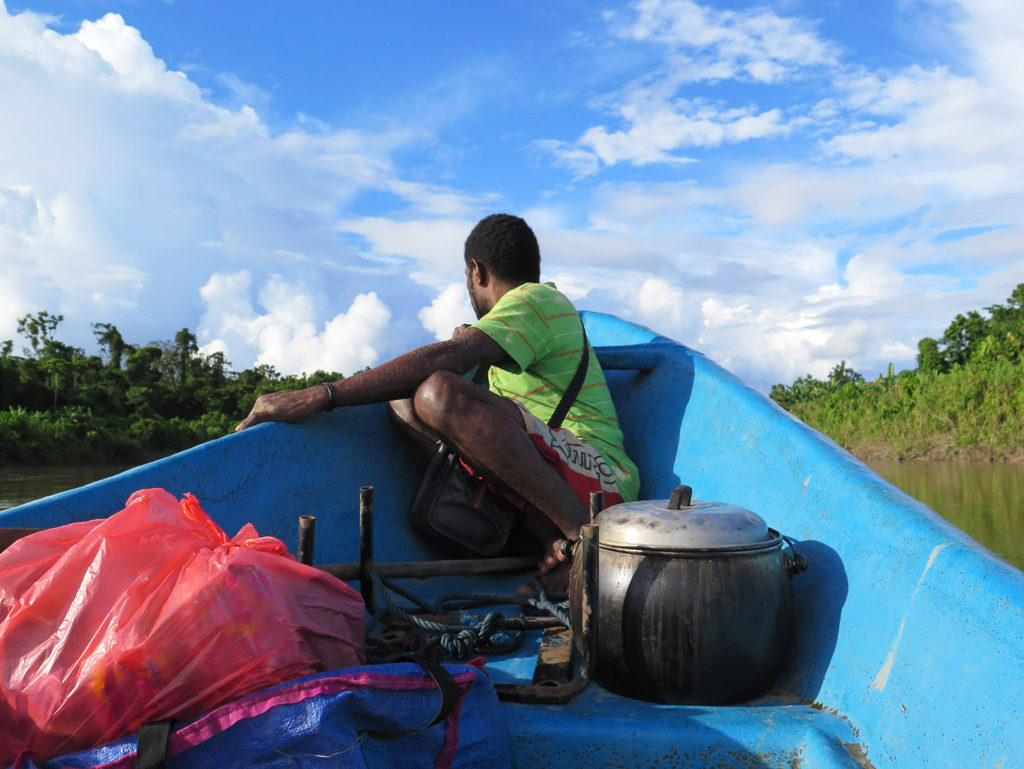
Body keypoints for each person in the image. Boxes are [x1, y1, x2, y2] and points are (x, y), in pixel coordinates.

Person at [236, 214, 639, 589]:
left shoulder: (537, 300)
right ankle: (546, 544)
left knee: (437, 394)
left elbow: (447, 365)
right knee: (404, 403)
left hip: (602, 483)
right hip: (562, 473)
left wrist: (324, 395)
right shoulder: (510, 336)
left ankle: (584, 545)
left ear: (475, 271)